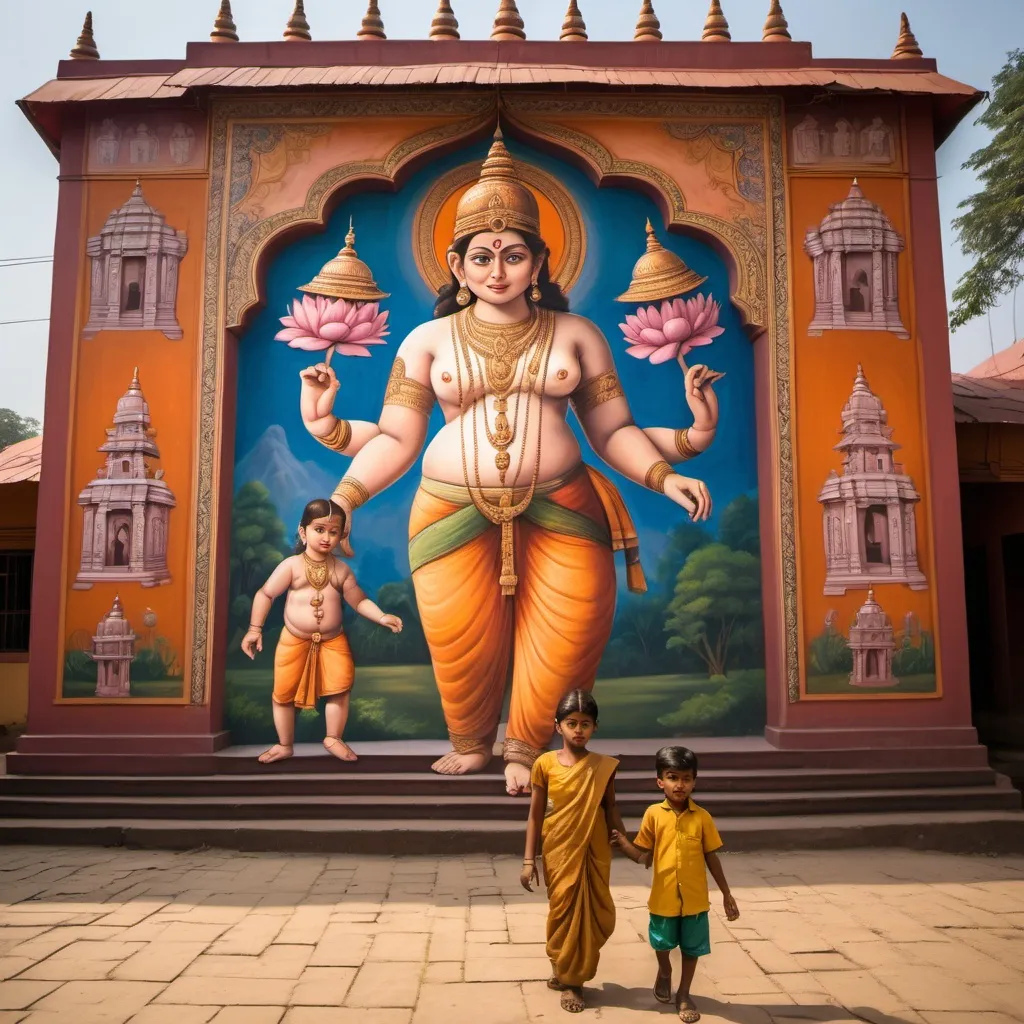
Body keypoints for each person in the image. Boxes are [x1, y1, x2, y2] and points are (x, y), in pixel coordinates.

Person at [299, 128, 723, 796]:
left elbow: (614, 431)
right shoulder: (427, 340)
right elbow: (396, 439)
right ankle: (471, 743)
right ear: (456, 264)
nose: (498, 270)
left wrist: (674, 464)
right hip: (447, 508)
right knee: (460, 638)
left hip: (564, 504)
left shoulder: (576, 335)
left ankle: (525, 747)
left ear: (541, 262)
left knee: (572, 624)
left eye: (514, 254)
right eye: (482, 256)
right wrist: (338, 471)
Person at [240, 498, 403, 764]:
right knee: (283, 692)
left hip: (332, 640)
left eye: (333, 531)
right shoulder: (291, 566)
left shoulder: (340, 570)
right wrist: (254, 629)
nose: (327, 537)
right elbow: (266, 594)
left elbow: (358, 600)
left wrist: (382, 616)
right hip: (294, 639)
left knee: (339, 687)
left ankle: (333, 737)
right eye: (319, 529)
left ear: (341, 535)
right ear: (303, 532)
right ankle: (284, 744)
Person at [612, 746, 739, 1023]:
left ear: (694, 781)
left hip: (695, 899)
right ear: (660, 781)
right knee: (662, 943)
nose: (679, 785)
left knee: (692, 948)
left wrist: (727, 893)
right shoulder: (653, 815)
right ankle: (665, 971)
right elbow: (643, 856)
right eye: (672, 777)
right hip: (664, 897)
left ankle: (683, 993)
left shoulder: (703, 818)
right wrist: (623, 844)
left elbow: (711, 856)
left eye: (686, 778)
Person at [520, 690, 626, 1014]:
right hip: (557, 849)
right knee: (562, 911)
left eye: (585, 723)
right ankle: (563, 969)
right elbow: (535, 815)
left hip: (591, 850)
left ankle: (573, 981)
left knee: (588, 914)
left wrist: (630, 844)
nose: (578, 730)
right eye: (571, 723)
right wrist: (528, 860)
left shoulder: (603, 767)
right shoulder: (544, 764)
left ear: (595, 727)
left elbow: (611, 810)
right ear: (558, 727)